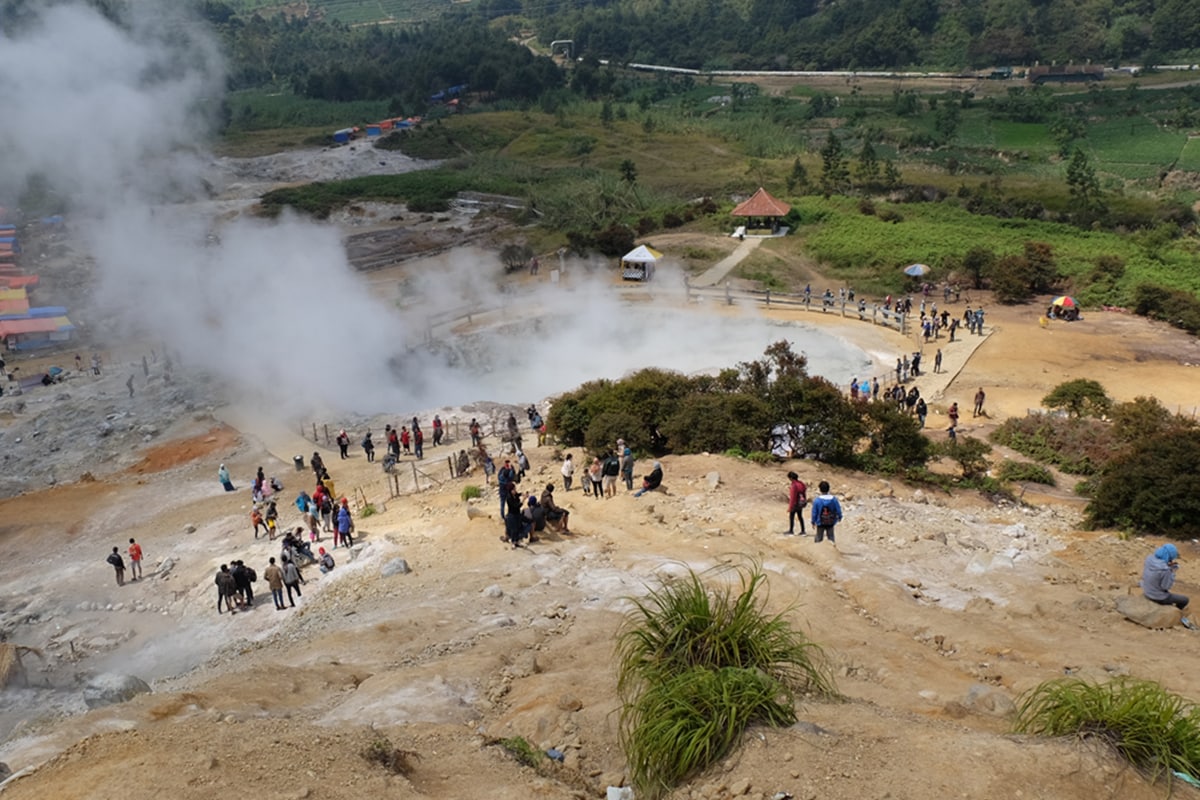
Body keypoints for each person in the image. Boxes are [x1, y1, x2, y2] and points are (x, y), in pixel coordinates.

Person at [1142, 543, 1189, 612]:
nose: (1171, 560)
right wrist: (1172, 572)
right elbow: (1165, 587)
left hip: (1147, 591)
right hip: (1157, 596)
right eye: (1171, 558)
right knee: (1185, 600)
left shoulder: (1149, 559)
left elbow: (1157, 568)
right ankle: (1177, 612)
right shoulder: (1165, 570)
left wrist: (1167, 566)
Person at [809, 481, 842, 545]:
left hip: (820, 522)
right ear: (828, 489)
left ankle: (817, 549)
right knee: (831, 537)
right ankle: (833, 549)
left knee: (819, 537)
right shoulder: (834, 499)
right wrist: (840, 517)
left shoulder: (817, 500)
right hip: (831, 522)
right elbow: (838, 509)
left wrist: (813, 522)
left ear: (820, 489)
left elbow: (814, 512)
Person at [785, 471, 807, 535]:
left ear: (791, 478)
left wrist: (790, 507)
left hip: (795, 503)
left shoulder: (794, 485)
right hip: (800, 503)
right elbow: (804, 492)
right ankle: (803, 530)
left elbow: (793, 497)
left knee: (791, 516)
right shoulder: (801, 484)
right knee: (800, 516)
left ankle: (791, 530)